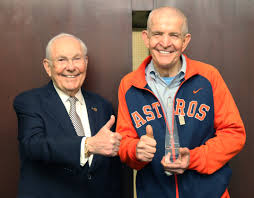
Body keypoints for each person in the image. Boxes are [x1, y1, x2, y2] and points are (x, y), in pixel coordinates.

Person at [116, 6, 246, 198]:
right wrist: (135, 150)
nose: (165, 43)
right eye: (158, 34)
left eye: (174, 35)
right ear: (146, 38)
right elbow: (123, 142)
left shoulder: (209, 77)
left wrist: (193, 159)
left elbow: (234, 134)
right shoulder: (129, 85)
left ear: (185, 41)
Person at [13, 33, 122, 198]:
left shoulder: (103, 106)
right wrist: (87, 145)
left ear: (86, 63)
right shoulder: (29, 102)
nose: (71, 67)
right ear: (48, 67)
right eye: (61, 60)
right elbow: (33, 146)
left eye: (77, 59)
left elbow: (111, 170)